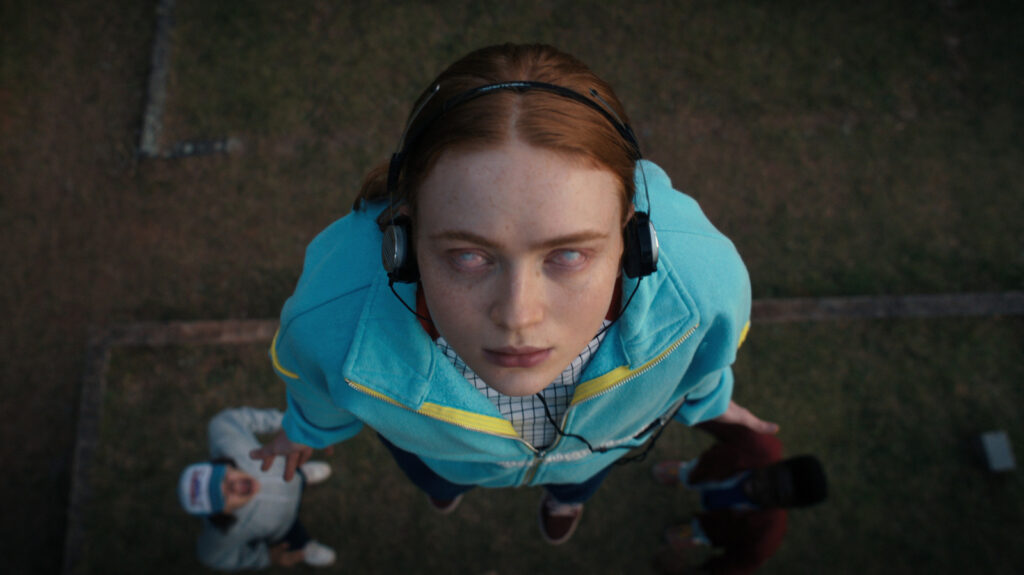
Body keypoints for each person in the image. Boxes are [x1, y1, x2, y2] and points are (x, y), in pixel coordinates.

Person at [251, 42, 777, 546]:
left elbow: (703, 360)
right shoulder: (331, 322)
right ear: (403, 243)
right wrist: (305, 431)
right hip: (443, 458)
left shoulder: (705, 291)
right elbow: (317, 386)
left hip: (587, 460)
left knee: (576, 482)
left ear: (633, 238)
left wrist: (710, 402)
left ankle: (565, 499)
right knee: (440, 477)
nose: (518, 316)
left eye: (567, 254)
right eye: (468, 256)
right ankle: (447, 487)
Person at [651, 421, 828, 574]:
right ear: (777, 464)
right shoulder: (757, 443)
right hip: (704, 471)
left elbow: (734, 568)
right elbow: (713, 417)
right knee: (690, 473)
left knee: (702, 531)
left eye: (775, 495)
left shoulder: (768, 535)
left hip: (714, 526)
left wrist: (687, 571)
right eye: (770, 476)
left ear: (785, 506)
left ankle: (693, 531)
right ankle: (682, 474)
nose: (761, 487)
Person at [178, 407, 338, 570]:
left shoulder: (230, 444)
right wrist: (266, 557)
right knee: (294, 540)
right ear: (221, 515)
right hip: (286, 526)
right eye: (223, 497)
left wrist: (291, 424)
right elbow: (209, 556)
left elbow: (223, 421)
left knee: (293, 474)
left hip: (287, 472)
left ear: (223, 464)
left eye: (223, 477)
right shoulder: (226, 533)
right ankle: (305, 548)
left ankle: (303, 475)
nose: (234, 486)